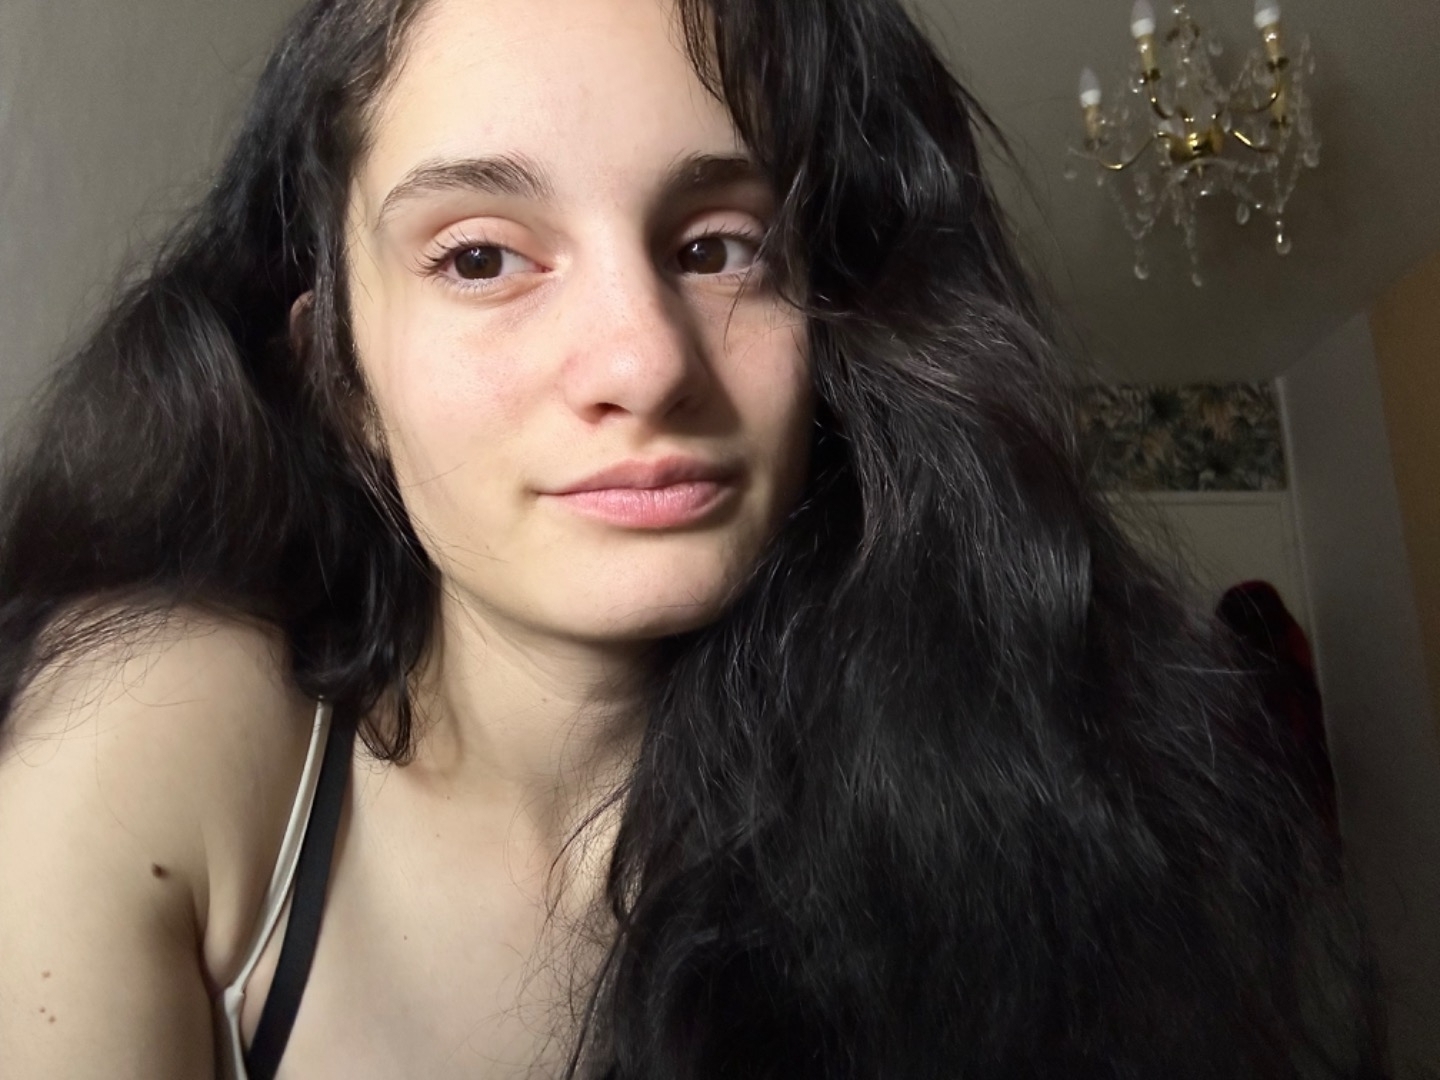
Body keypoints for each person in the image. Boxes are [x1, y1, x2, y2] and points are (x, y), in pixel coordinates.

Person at [0, 0, 1389, 1076]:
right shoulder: (170, 735)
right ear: (339, 380)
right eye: (480, 256)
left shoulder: (1007, 815)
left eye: (720, 246)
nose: (646, 362)